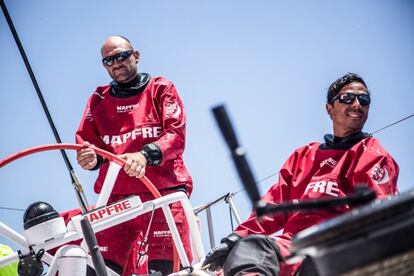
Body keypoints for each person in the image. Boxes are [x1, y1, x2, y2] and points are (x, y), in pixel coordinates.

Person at [202, 73, 399, 276]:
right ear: (329, 109)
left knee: (255, 249)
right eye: (347, 97)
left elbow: (378, 213)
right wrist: (234, 239)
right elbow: (273, 208)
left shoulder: (373, 154)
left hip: (337, 246)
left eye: (364, 100)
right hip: (293, 248)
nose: (357, 104)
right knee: (246, 254)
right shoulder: (304, 157)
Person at [75, 35, 193, 275]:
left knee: (165, 270)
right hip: (116, 204)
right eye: (108, 60)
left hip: (162, 198)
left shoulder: (160, 88)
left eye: (121, 56)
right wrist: (89, 158)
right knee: (98, 269)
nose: (116, 63)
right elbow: (89, 144)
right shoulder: (98, 100)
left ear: (135, 56)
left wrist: (144, 155)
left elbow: (176, 135)